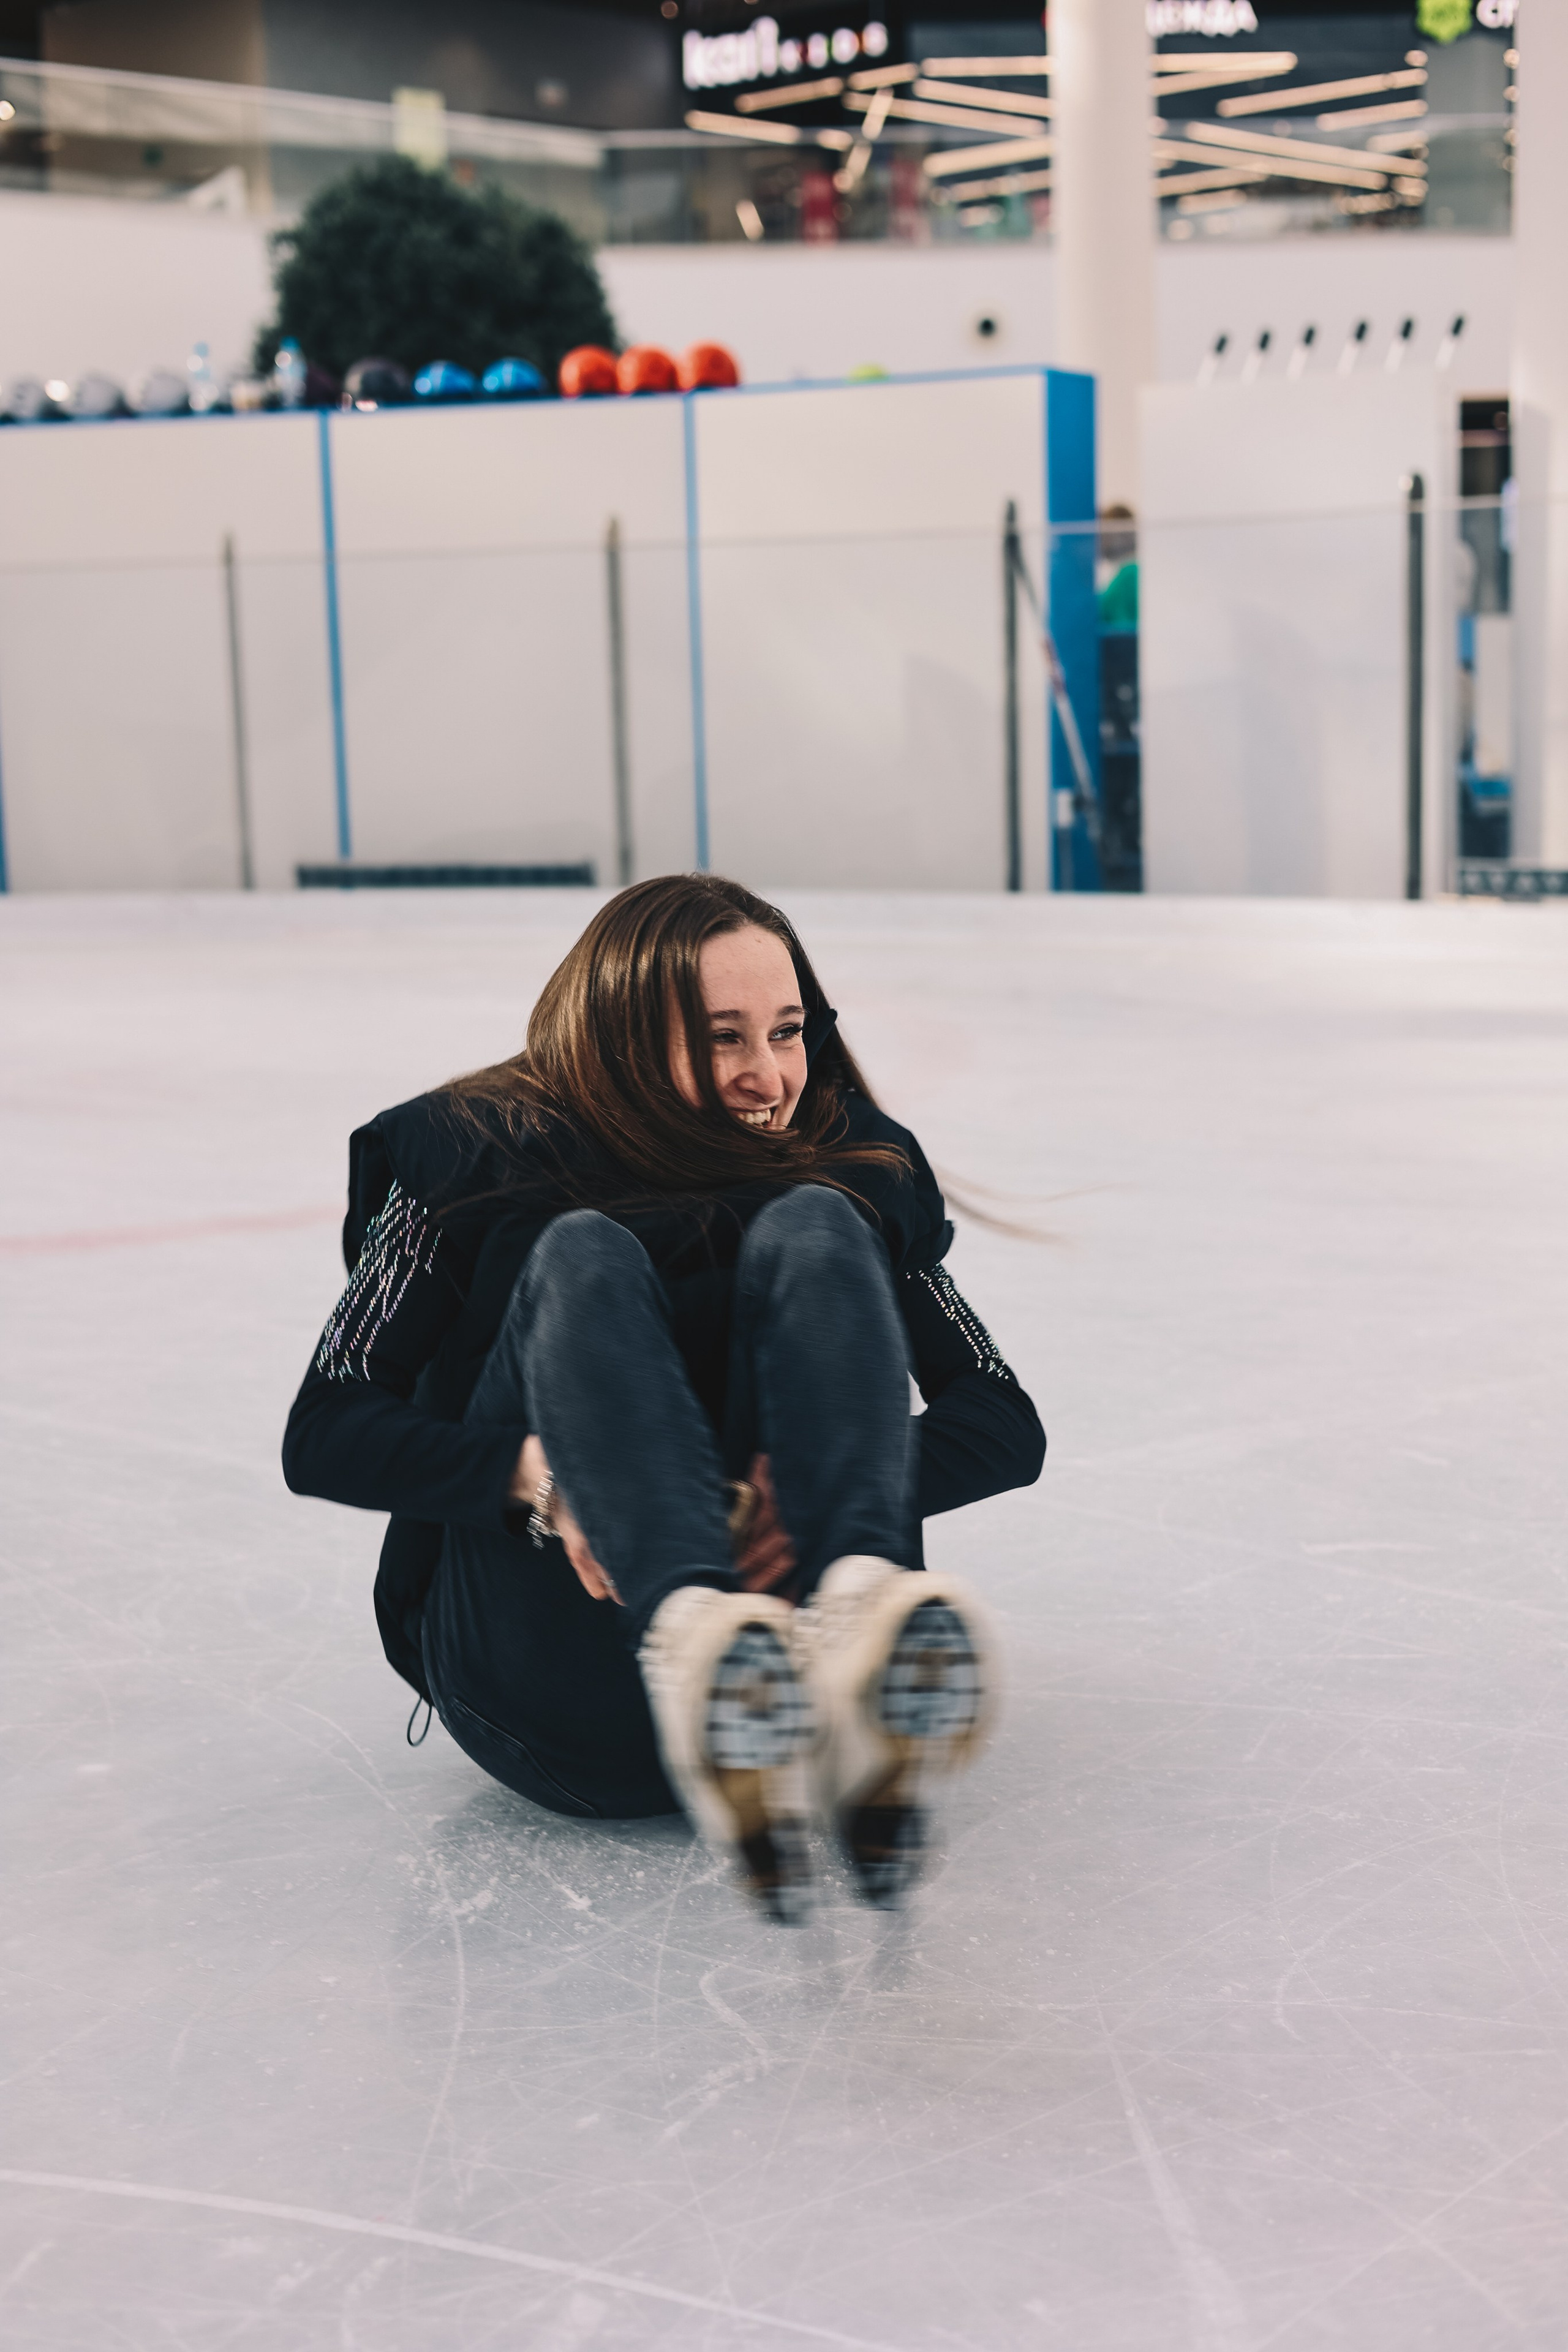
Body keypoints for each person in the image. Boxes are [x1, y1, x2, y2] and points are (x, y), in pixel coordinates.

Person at [282, 876, 1044, 1921]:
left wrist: (811, 1500)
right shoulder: (471, 1153)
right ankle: (696, 1640)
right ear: (621, 1039)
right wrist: (546, 1486)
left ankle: (857, 1618)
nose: (768, 1076)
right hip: (558, 1695)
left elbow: (1000, 1418)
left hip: (796, 1661)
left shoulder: (851, 1167)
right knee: (583, 1255)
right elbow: (326, 1429)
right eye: (722, 1038)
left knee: (816, 1224)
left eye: (788, 1031)